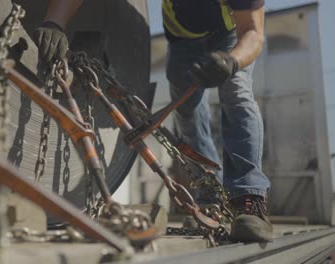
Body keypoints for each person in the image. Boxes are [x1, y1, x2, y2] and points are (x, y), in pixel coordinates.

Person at [33, 0, 272, 243]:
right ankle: (210, 201)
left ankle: (249, 201)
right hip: (183, 39)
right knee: (188, 112)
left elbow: (253, 32)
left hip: (230, 35)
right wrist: (55, 22)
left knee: (237, 93)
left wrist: (231, 62)